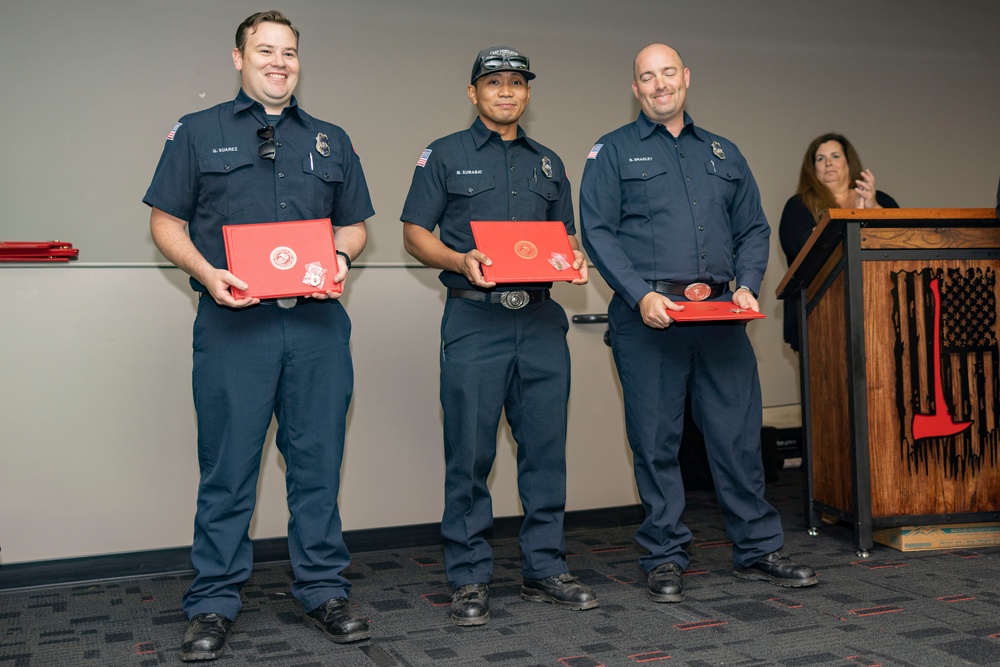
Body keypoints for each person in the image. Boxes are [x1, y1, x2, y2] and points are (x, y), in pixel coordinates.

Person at [143, 11, 374, 661]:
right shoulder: (197, 132)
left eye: (290, 52)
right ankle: (213, 599)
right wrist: (204, 271)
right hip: (233, 325)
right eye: (265, 50)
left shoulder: (331, 139)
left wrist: (342, 257)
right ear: (238, 57)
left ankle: (324, 589)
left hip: (317, 328)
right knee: (228, 468)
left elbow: (353, 225)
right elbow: (166, 221)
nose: (279, 61)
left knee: (317, 465)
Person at [579, 43, 817, 604]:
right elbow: (597, 230)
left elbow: (754, 229)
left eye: (668, 73)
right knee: (657, 442)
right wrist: (638, 295)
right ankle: (664, 555)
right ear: (634, 88)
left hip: (720, 318)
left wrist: (746, 285)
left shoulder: (724, 152)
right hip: (651, 320)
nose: (659, 84)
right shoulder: (611, 152)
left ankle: (758, 548)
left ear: (686, 78)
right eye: (647, 77)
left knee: (737, 439)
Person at [400, 45, 597, 627]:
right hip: (475, 318)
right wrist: (461, 261)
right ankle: (468, 576)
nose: (505, 92)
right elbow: (413, 232)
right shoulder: (444, 155)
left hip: (539, 320)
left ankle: (545, 567)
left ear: (528, 93)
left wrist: (575, 259)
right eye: (493, 83)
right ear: (473, 93)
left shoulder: (549, 164)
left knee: (545, 451)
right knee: (470, 452)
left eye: (516, 83)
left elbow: (565, 238)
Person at [778, 133, 899, 350]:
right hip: (819, 310)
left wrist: (871, 209)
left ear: (848, 162)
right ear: (812, 168)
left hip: (878, 303)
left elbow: (900, 238)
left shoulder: (878, 199)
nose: (828, 163)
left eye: (835, 156)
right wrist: (849, 219)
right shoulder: (799, 205)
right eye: (820, 159)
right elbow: (797, 246)